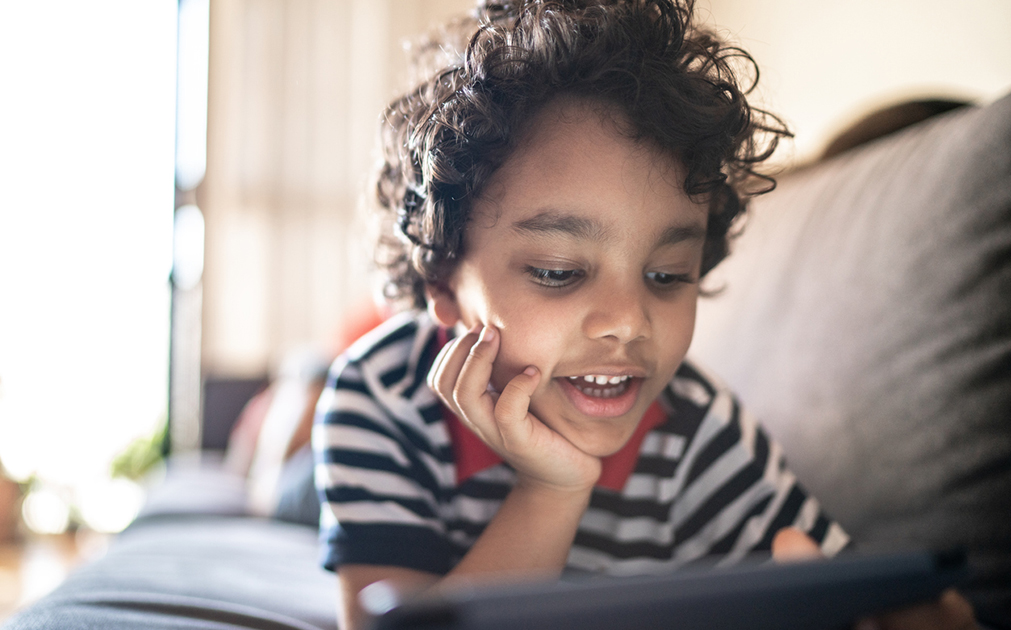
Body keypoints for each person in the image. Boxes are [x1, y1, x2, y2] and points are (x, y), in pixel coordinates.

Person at [312, 2, 977, 629]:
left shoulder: (702, 435)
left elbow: (846, 588)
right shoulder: (377, 397)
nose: (628, 320)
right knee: (292, 471)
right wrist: (553, 490)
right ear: (443, 280)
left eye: (666, 276)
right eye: (558, 272)